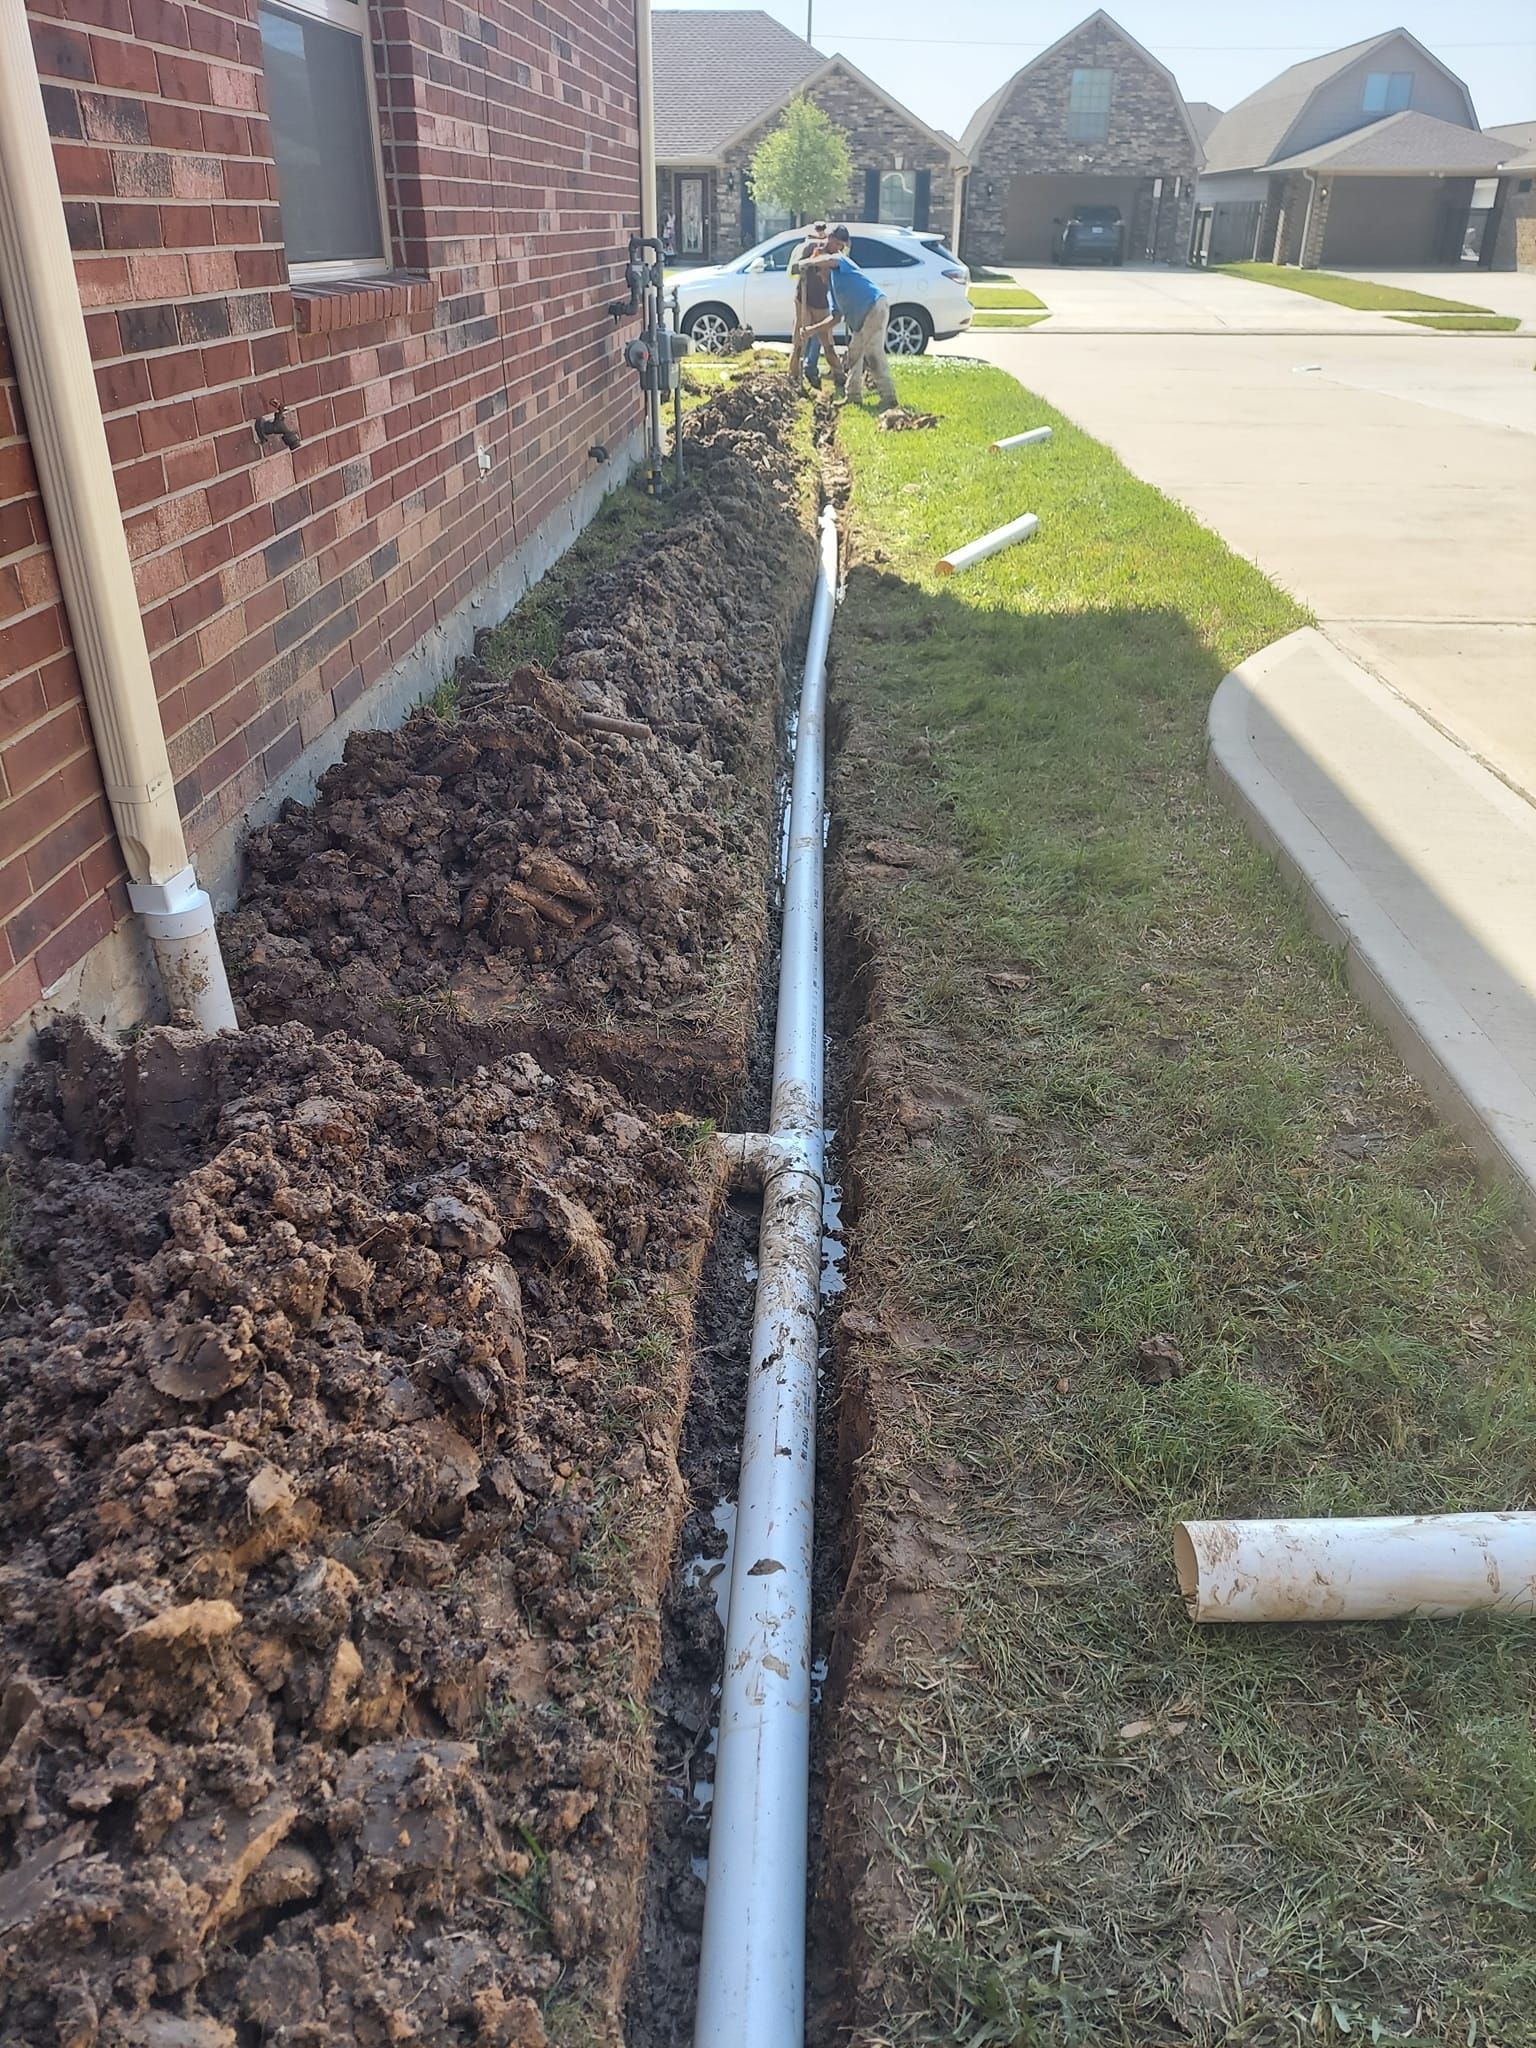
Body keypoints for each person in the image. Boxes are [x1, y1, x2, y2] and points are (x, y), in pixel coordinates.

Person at [801, 226, 897, 410]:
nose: (822, 276)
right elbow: (835, 319)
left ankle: (889, 397)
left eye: (821, 271)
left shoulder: (842, 262)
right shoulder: (834, 291)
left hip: (874, 306)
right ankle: (853, 396)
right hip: (863, 319)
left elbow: (829, 259)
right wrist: (810, 331)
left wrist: (808, 263)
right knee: (855, 354)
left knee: (873, 352)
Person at [787, 222, 842, 391]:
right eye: (837, 243)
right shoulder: (809, 246)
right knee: (800, 340)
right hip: (804, 299)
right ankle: (793, 378)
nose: (838, 247)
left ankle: (839, 377)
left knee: (828, 343)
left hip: (822, 302)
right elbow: (794, 268)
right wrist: (807, 263)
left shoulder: (838, 254)